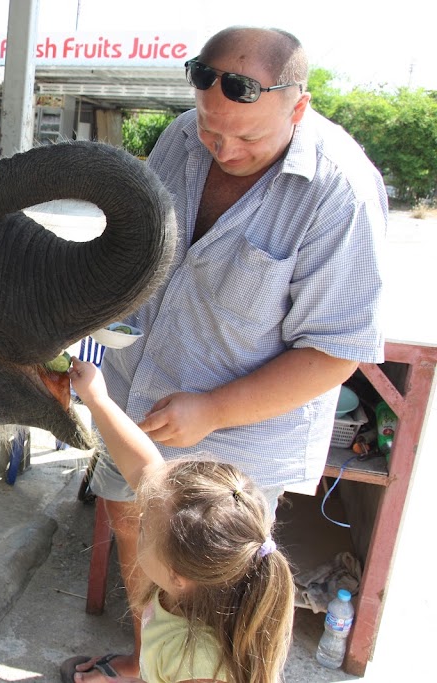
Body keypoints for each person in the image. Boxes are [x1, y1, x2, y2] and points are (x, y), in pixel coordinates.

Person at [77, 26, 387, 678]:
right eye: (212, 130)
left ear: (298, 106)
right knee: (136, 534)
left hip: (236, 442)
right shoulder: (184, 137)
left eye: (248, 137)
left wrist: (215, 408)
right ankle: (148, 661)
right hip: (136, 393)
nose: (222, 150)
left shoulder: (341, 192)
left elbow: (338, 351)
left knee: (219, 595)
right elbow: (140, 245)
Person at [62, 358, 294, 683]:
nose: (140, 516)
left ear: (177, 575)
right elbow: (143, 470)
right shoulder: (184, 582)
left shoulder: (201, 667)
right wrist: (97, 398)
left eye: (144, 529)